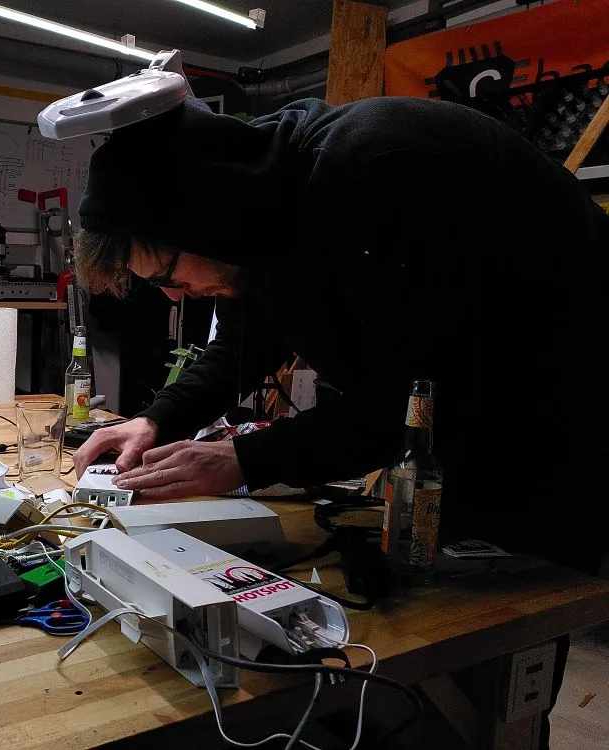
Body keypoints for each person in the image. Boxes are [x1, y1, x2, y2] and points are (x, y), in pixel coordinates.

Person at [71, 96, 609, 577]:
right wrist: (157, 419)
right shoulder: (253, 213)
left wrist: (243, 459)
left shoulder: (373, 178)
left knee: (514, 590)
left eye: (165, 276)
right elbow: (243, 343)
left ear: (200, 220)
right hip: (485, 397)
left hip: (566, 396)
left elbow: (408, 402)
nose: (173, 297)